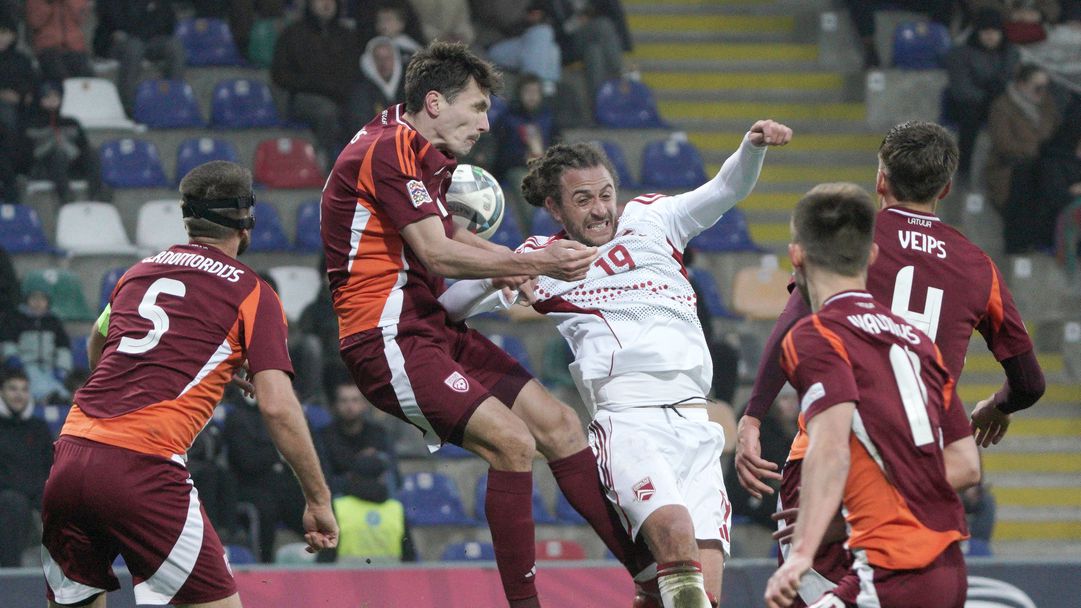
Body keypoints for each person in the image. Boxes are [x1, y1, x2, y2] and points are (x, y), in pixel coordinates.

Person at [321, 40, 642, 607]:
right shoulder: (387, 149)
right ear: (436, 102)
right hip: (386, 336)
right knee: (513, 443)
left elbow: (450, 235)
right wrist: (535, 263)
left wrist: (510, 263)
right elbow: (437, 252)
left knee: (561, 426)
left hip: (428, 325)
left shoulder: (409, 144)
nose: (485, 123)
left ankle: (648, 575)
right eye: (477, 108)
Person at [442, 120, 791, 606]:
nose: (600, 209)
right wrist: (502, 269)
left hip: (696, 421)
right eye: (583, 200)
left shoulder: (652, 219)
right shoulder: (544, 258)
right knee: (675, 536)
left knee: (698, 592)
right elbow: (449, 308)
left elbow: (724, 190)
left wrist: (751, 148)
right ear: (554, 208)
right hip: (630, 424)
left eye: (606, 194)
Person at [737, 121, 1045, 607]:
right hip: (920, 475)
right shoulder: (975, 269)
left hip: (828, 468)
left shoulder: (854, 238)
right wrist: (998, 406)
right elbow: (1028, 382)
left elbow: (792, 322)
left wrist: (753, 415)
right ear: (946, 188)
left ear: (881, 179)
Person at [40, 161, 337, 607]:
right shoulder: (253, 292)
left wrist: (193, 365)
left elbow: (99, 346)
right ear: (247, 222)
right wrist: (318, 498)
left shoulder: (137, 274)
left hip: (70, 459)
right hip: (143, 468)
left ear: (187, 219)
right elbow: (277, 406)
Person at [763, 183, 976, 608]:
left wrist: (802, 552)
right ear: (872, 256)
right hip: (949, 571)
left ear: (797, 257)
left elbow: (830, 449)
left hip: (889, 572)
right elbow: (966, 463)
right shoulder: (917, 341)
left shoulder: (817, 335)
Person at [271, 0, 359, 169]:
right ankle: (326, 165)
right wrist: (317, 85)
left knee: (361, 110)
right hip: (303, 97)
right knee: (326, 111)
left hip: (342, 96)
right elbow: (280, 75)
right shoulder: (293, 33)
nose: (327, 3)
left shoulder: (347, 35)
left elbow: (353, 73)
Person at [986, 64, 1061, 251]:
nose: (1042, 92)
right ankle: (1019, 244)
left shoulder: (1048, 104)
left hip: (1044, 164)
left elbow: (1058, 133)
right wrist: (1039, 149)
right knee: (1027, 179)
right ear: (1021, 84)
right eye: (1037, 87)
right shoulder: (1002, 107)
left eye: (1045, 87)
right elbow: (1004, 144)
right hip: (1010, 168)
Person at [942, 8, 1019, 181]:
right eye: (986, 31)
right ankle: (964, 172)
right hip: (968, 104)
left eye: (995, 31)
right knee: (970, 116)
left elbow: (1009, 80)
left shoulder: (1010, 52)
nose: (990, 36)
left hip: (998, 102)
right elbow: (961, 88)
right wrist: (988, 98)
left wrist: (997, 99)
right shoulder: (960, 53)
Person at [18, 80, 109, 204]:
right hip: (44, 167)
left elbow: (83, 145)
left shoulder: (71, 122)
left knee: (91, 153)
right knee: (58, 154)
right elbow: (27, 154)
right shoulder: (31, 124)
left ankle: (97, 195)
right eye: (47, 97)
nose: (52, 100)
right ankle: (66, 198)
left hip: (71, 164)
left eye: (56, 96)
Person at [0, 368, 54, 567]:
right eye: (13, 388)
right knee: (13, 503)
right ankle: (9, 576)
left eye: (24, 389)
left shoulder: (39, 428)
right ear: (2, 392)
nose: (19, 394)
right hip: (7, 498)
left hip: (37, 497)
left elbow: (51, 467)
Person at [92, 0, 185, 115]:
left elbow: (168, 20)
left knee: (174, 46)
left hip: (146, 37)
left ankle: (172, 101)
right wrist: (147, 15)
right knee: (134, 48)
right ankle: (128, 107)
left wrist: (142, 30)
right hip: (114, 42)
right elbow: (114, 19)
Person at [318, 380, 396, 495]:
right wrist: (362, 463)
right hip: (340, 497)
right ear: (335, 405)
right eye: (344, 401)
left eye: (355, 400)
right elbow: (325, 479)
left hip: (377, 496)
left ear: (364, 404)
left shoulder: (378, 434)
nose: (349, 406)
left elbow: (394, 476)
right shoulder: (325, 436)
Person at [0, 287, 73, 402]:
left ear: (48, 302)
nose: (38, 302)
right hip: (25, 365)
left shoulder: (53, 321)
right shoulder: (16, 319)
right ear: (26, 299)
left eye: (42, 299)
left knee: (56, 384)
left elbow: (63, 348)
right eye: (34, 298)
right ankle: (46, 398)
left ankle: (59, 398)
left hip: (50, 366)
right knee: (34, 381)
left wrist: (62, 367)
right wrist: (12, 357)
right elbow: (8, 342)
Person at [25, 0, 95, 82]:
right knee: (60, 77)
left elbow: (81, 17)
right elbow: (35, 22)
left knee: (87, 79)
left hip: (75, 46)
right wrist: (48, 3)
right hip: (48, 47)